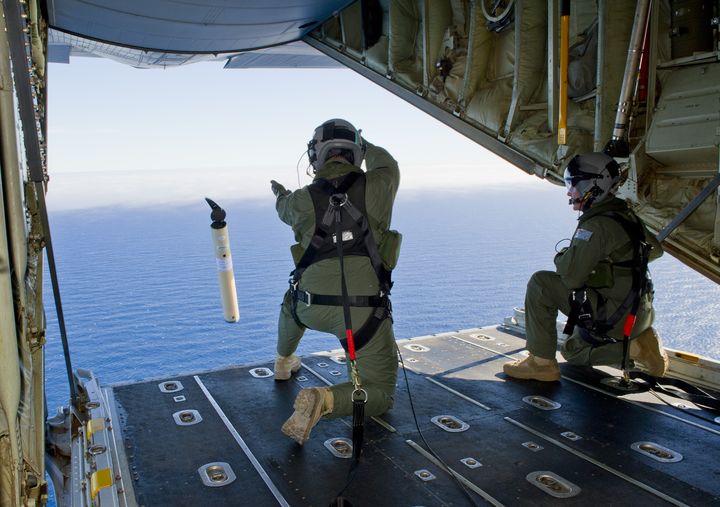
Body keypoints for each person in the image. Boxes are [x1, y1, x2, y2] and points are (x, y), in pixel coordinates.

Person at [271, 119, 401, 444]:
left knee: (291, 303)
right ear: (357, 153)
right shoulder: (381, 184)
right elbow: (389, 164)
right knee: (381, 394)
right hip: (363, 316)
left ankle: (283, 363)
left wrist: (282, 194)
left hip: (310, 306)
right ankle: (327, 400)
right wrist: (366, 144)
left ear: (316, 158)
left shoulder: (300, 200)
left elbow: (283, 208)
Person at [503, 152, 668, 382]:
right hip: (639, 311)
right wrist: (610, 268)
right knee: (572, 349)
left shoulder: (595, 226)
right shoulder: (626, 215)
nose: (569, 192)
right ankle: (640, 342)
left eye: (573, 185)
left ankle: (542, 364)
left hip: (615, 315)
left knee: (541, 283)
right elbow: (655, 250)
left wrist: (564, 257)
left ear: (593, 186)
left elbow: (570, 277)